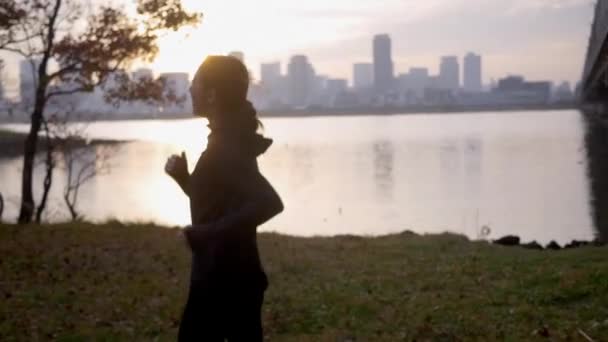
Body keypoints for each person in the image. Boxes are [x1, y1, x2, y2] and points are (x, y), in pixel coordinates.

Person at [165, 55, 284, 341]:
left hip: (226, 280)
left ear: (212, 94)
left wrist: (205, 234)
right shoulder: (225, 140)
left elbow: (268, 202)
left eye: (195, 82)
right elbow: (220, 202)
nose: (190, 89)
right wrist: (185, 179)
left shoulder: (226, 146)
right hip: (224, 274)